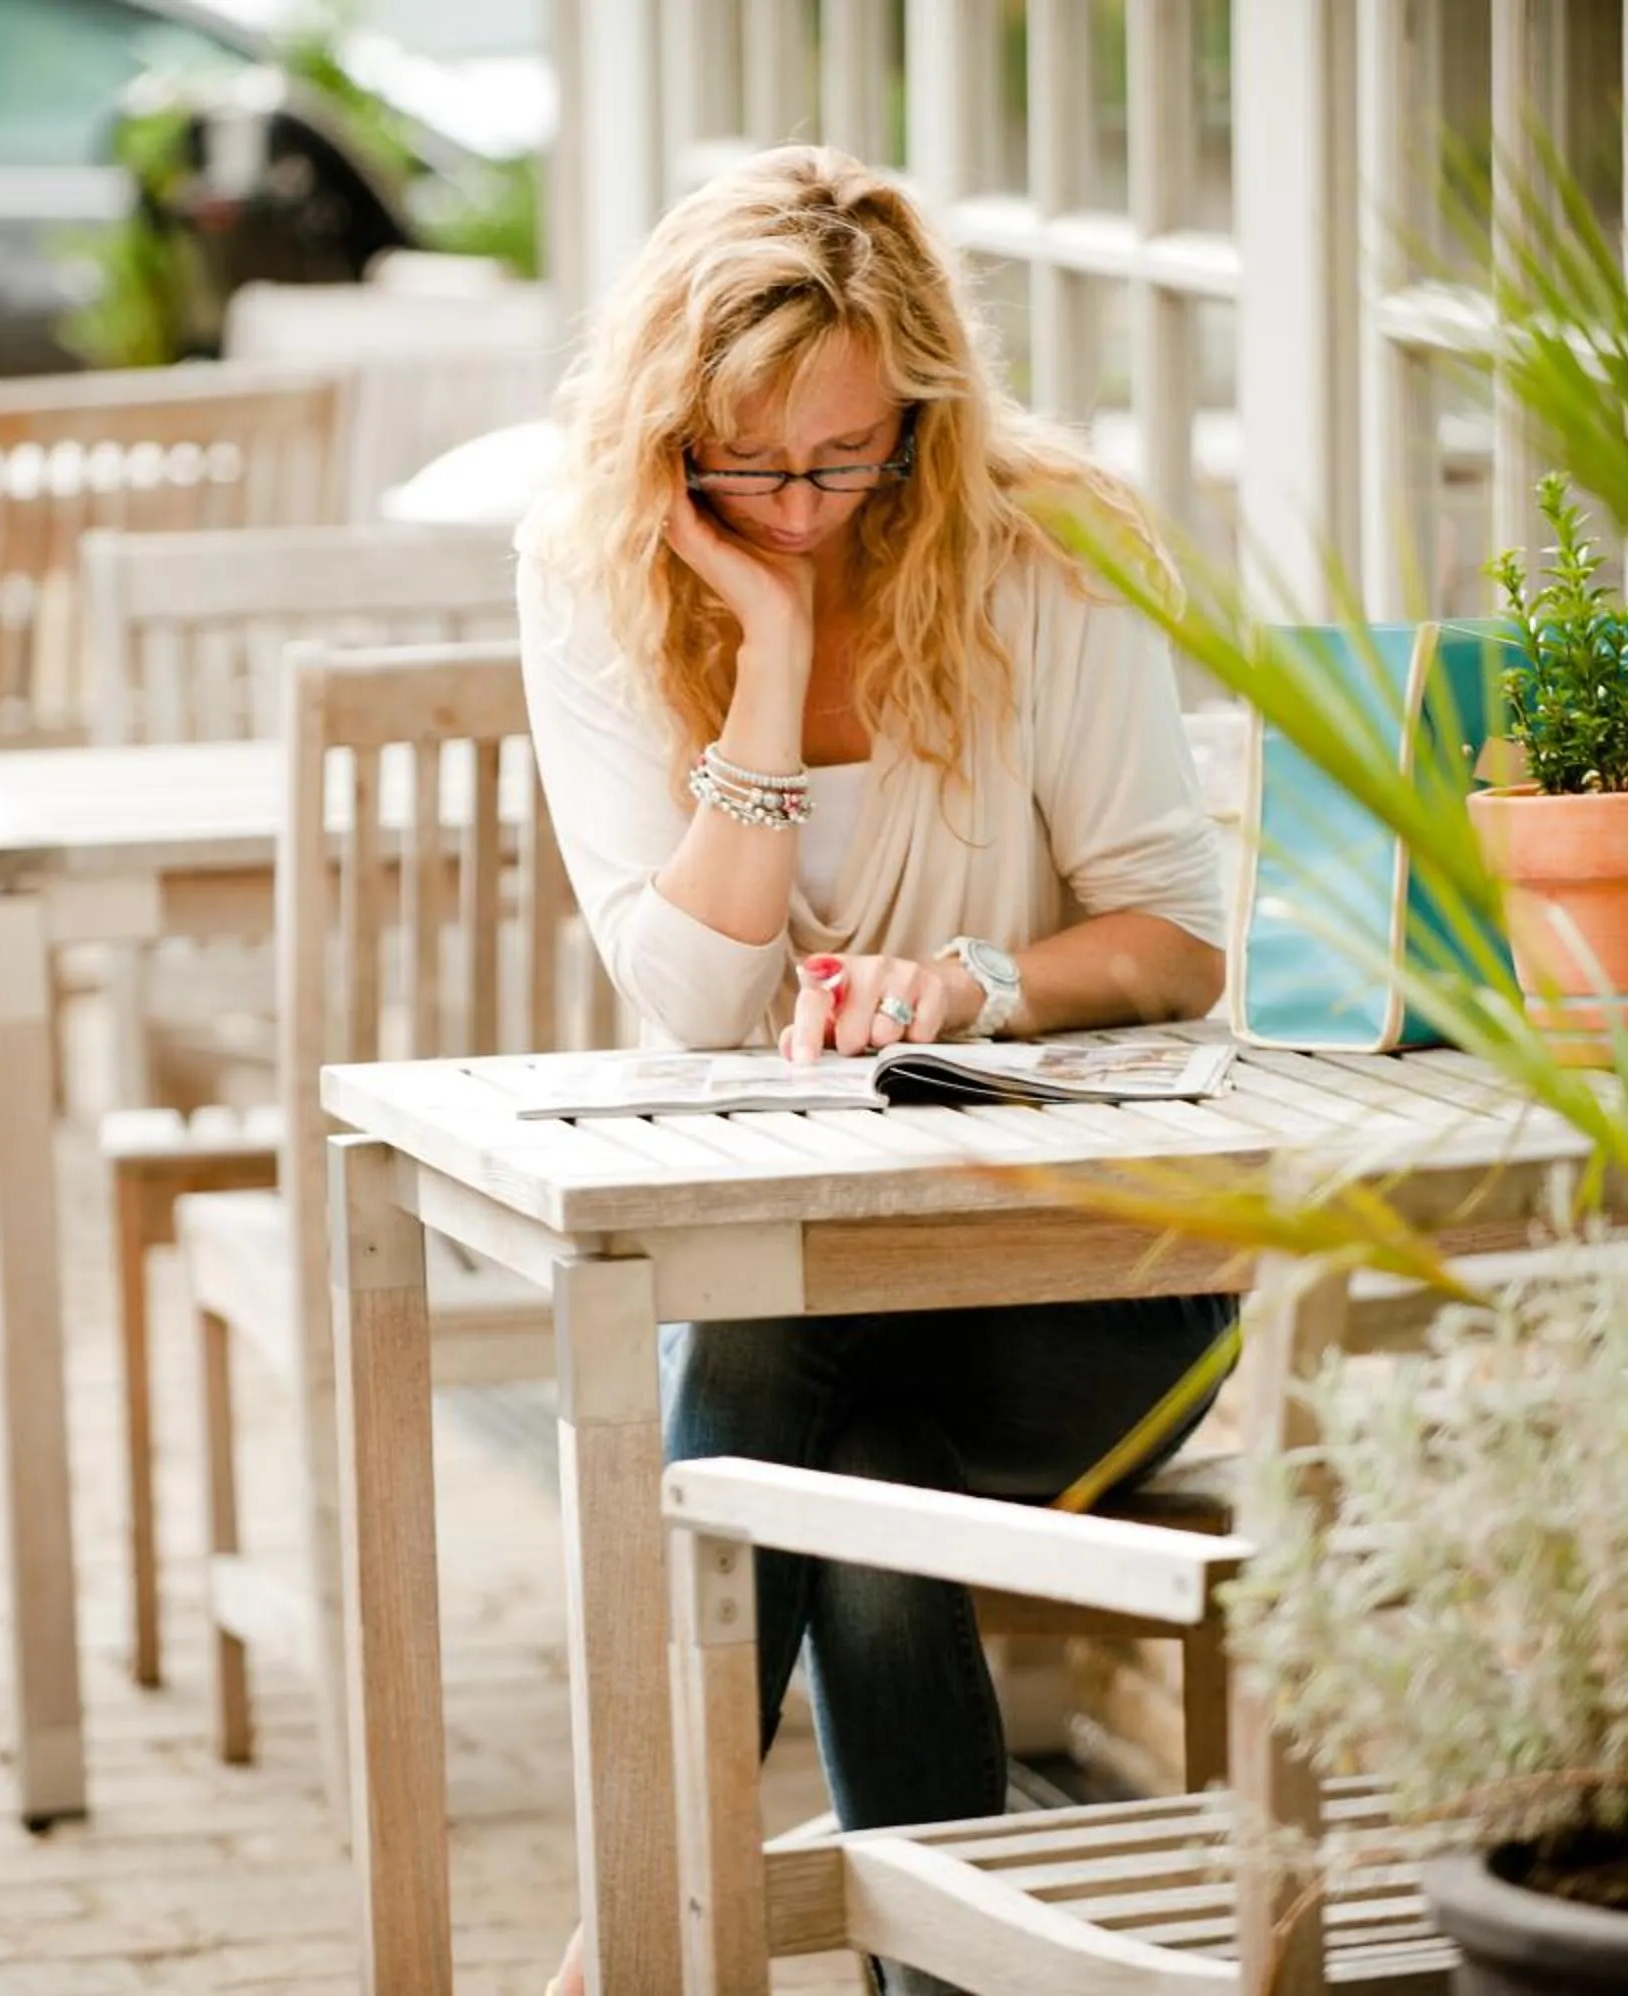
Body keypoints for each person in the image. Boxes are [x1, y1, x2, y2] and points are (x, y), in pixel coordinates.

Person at [514, 145, 1237, 1996]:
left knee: (773, 1378)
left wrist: (975, 985)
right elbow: (695, 998)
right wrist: (765, 653)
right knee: (849, 1458)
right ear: (666, 437)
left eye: (847, 458)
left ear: (922, 413)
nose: (798, 506)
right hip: (824, 1293)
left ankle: (625, 1947)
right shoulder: (594, 570)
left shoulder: (1043, 551)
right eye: (745, 464)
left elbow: (1176, 942)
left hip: (1092, 1278)